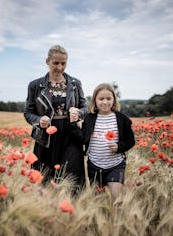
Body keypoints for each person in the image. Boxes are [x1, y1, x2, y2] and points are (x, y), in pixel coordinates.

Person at [24, 45, 87, 188]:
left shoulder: (75, 84)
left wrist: (78, 113)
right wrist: (39, 120)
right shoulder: (35, 85)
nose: (60, 67)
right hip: (45, 137)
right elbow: (28, 113)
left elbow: (86, 108)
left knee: (72, 175)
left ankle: (72, 207)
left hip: (71, 134)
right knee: (44, 178)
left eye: (63, 63)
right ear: (47, 61)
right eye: (56, 63)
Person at [70, 83, 135, 202]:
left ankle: (116, 220)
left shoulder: (122, 119)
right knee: (98, 201)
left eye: (109, 98)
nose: (105, 102)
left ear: (114, 100)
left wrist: (119, 146)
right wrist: (73, 124)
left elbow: (131, 141)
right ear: (95, 100)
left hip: (115, 165)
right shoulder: (90, 118)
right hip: (94, 166)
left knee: (116, 200)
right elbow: (82, 138)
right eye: (101, 99)